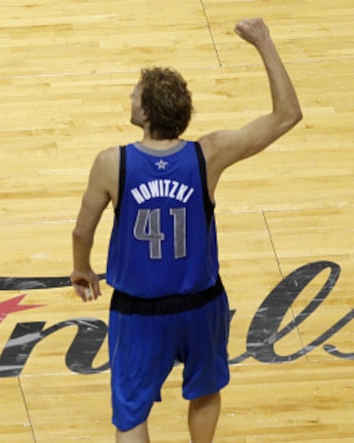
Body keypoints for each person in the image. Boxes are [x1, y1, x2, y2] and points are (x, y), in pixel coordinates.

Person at [69, 18, 301, 443]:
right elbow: (288, 115)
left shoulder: (112, 163)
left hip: (139, 311)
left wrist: (81, 268)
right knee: (206, 390)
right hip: (201, 305)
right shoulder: (208, 155)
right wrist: (264, 42)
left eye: (135, 94)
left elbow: (82, 231)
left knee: (131, 415)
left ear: (146, 113)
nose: (129, 96)